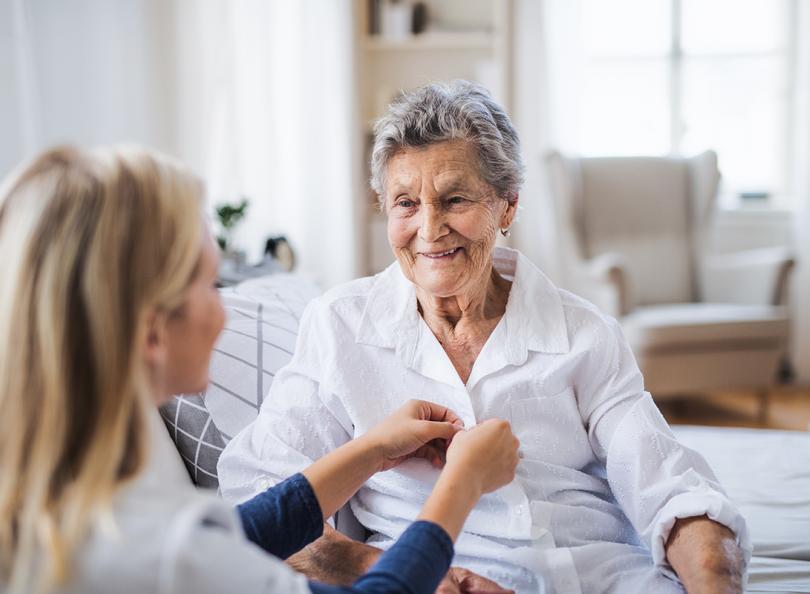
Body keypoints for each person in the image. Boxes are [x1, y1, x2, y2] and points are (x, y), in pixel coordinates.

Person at [218, 81, 751, 594]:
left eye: (454, 200)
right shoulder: (339, 326)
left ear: (507, 206)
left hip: (598, 576)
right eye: (406, 203)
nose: (429, 228)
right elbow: (260, 491)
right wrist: (377, 568)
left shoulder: (584, 333)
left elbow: (672, 489)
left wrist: (710, 577)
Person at [0, 145, 521, 594]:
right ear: (153, 332)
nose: (226, 311)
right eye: (210, 286)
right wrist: (462, 483)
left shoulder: (66, 508)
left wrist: (370, 451)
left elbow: (236, 534)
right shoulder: (163, 555)